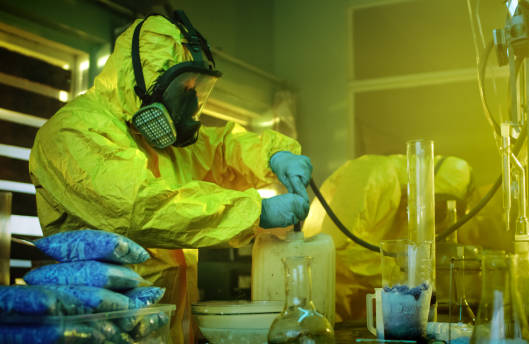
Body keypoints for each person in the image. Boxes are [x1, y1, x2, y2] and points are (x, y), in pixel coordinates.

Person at [28, 11, 312, 344]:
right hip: (101, 330)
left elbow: (221, 148)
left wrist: (274, 155)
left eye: (198, 89)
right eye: (184, 88)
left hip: (167, 332)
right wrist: (257, 212)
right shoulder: (73, 132)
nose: (191, 101)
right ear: (145, 82)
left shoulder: (162, 140)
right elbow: (140, 206)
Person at [302, 153, 502, 322]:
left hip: (359, 301)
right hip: (322, 291)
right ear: (428, 184)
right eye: (439, 206)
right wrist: (403, 277)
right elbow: (341, 246)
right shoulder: (374, 173)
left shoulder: (408, 204)